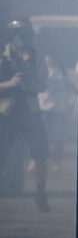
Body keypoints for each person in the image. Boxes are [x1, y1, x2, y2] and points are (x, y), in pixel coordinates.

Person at [0, 17, 50, 211]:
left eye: (26, 34)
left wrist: (29, 78)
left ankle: (40, 192)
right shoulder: (2, 56)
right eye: (19, 35)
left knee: (41, 154)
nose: (23, 39)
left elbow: (42, 85)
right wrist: (9, 84)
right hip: (6, 113)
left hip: (30, 111)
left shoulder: (37, 57)